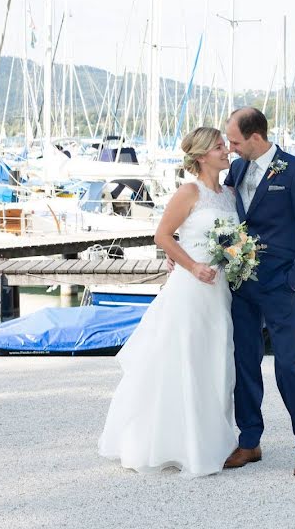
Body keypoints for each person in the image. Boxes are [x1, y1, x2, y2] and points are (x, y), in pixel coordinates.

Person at [98, 127, 238, 477]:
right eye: (219, 146)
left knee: (215, 360)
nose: (226, 150)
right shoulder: (189, 192)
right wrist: (191, 265)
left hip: (219, 290)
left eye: (225, 145)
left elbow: (234, 240)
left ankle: (212, 439)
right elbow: (162, 234)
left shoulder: (230, 194)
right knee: (185, 359)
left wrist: (236, 259)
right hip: (191, 289)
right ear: (203, 155)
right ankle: (178, 444)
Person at [223, 107, 295, 478]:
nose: (230, 148)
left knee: (288, 366)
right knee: (245, 363)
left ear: (255, 137)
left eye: (234, 141)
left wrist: (294, 283)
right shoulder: (236, 170)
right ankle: (250, 441)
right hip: (242, 286)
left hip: (282, 286)